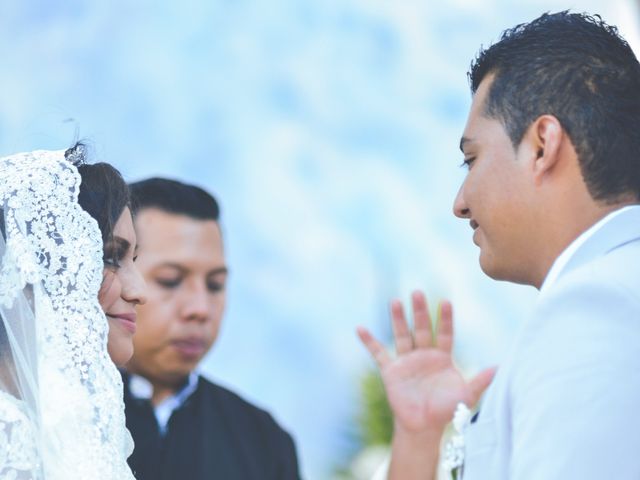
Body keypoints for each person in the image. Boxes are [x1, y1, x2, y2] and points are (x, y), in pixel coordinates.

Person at [359, 11, 640, 480]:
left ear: (541, 145)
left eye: (472, 159)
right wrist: (419, 439)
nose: (460, 203)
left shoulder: (593, 307)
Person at [121, 177, 301, 480]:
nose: (200, 309)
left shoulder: (262, 438)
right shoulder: (53, 410)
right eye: (170, 280)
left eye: (215, 285)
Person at [0, 145, 146, 479]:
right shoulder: (9, 435)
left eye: (133, 260)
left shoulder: (70, 428)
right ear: (29, 272)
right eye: (110, 257)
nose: (139, 292)